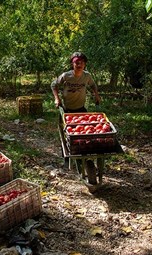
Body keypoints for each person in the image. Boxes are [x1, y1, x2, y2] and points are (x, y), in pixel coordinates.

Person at [51, 51, 100, 188]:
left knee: (83, 133)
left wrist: (96, 95)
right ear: (72, 64)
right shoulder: (66, 76)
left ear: (84, 64)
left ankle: (82, 153)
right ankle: (67, 159)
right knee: (66, 135)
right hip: (67, 110)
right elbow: (54, 85)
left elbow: (93, 85)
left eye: (81, 63)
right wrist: (57, 98)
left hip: (80, 109)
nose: (79, 65)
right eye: (76, 62)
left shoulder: (87, 76)